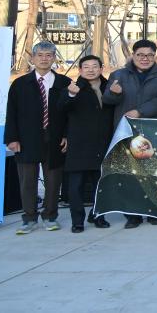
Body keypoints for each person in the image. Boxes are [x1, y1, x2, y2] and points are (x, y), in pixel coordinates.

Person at [103, 38, 157, 228]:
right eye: (140, 55)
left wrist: (140, 112)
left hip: (151, 130)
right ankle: (132, 214)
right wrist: (114, 93)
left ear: (154, 57)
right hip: (126, 131)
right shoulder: (119, 74)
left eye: (149, 55)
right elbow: (108, 100)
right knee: (129, 173)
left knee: (153, 172)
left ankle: (155, 211)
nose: (145, 58)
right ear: (133, 56)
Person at [4, 41, 69, 234]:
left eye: (49, 55)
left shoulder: (63, 83)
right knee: (27, 181)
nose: (44, 58)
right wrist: (12, 138)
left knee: (53, 181)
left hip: (55, 139)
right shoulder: (20, 84)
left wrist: (67, 135)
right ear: (32, 58)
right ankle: (29, 218)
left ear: (54, 58)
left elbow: (70, 114)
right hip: (26, 139)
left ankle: (50, 216)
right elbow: (11, 113)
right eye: (40, 55)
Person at [58, 54, 115, 232]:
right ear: (80, 70)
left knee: (101, 184)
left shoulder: (109, 87)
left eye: (94, 66)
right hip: (79, 144)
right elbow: (61, 109)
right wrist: (70, 95)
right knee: (75, 187)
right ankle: (77, 220)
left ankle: (98, 216)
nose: (91, 70)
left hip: (103, 143)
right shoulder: (73, 87)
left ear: (101, 68)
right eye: (86, 67)